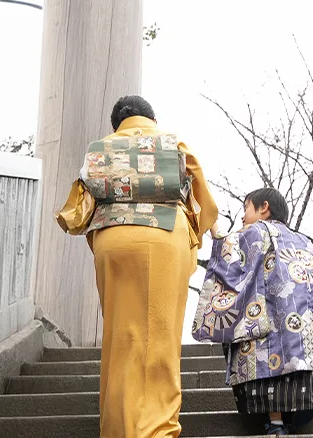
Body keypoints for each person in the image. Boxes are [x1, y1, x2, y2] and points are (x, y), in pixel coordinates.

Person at [55, 96, 218, 438]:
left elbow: (78, 206)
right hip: (164, 238)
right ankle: (156, 431)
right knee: (160, 337)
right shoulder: (174, 144)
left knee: (121, 337)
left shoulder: (101, 148)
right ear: (152, 119)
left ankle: (117, 429)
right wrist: (200, 232)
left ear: (117, 124)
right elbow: (205, 203)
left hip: (112, 240)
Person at [191, 187, 313, 436]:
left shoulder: (257, 232)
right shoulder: (305, 242)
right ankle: (287, 418)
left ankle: (276, 423)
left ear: (263, 207)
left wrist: (212, 225)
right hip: (302, 332)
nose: (243, 218)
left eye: (246, 208)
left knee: (268, 358)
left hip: (269, 331)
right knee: (288, 365)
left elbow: (230, 251)